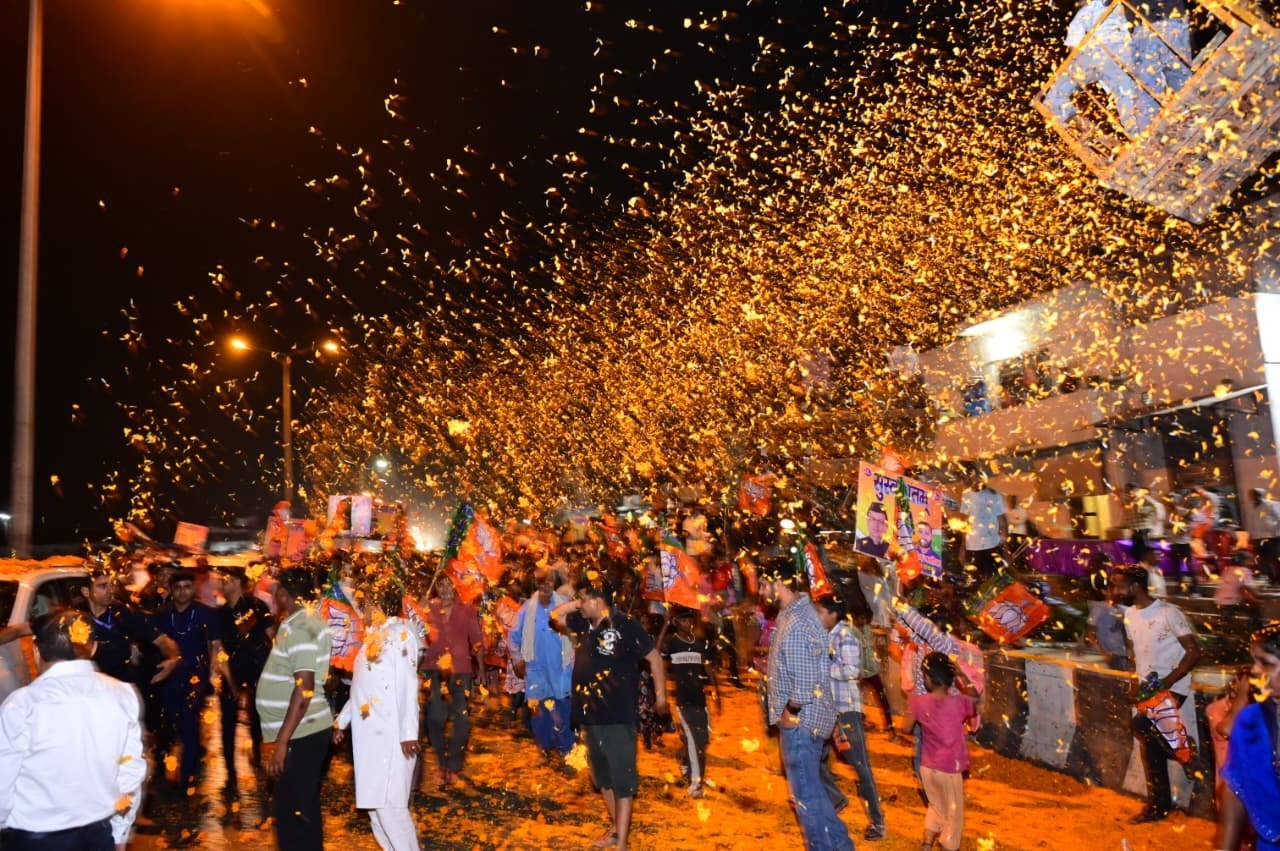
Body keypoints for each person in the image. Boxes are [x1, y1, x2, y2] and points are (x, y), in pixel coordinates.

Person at [0, 610, 147, 851]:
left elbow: (3, 778)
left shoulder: (22, 704)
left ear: (36, 651)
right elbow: (130, 770)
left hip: (35, 838)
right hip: (98, 834)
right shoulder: (123, 694)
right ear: (93, 648)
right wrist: (120, 831)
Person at [552, 579, 667, 851]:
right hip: (589, 716)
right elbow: (555, 616)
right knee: (601, 779)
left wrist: (661, 697)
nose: (580, 605)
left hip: (617, 716)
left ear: (598, 600)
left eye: (584, 600)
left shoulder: (626, 624)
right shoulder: (583, 623)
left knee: (622, 781)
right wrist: (578, 602)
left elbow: (654, 658)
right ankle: (617, 830)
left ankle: (622, 844)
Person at [761, 556, 854, 851]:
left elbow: (804, 682)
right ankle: (841, 846)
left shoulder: (796, 622)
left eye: (764, 585)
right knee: (813, 795)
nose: (761, 592)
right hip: (809, 721)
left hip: (801, 723)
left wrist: (789, 711)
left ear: (778, 583)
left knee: (806, 801)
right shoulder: (799, 614)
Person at [1110, 565, 1202, 823]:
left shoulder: (1169, 613)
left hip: (1172, 685)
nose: (1116, 591)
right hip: (1148, 688)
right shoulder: (1130, 614)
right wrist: (1134, 682)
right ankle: (1159, 806)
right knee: (1150, 748)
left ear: (1135, 587)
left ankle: (1186, 754)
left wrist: (1166, 682)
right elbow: (1134, 652)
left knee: (1140, 725)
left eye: (1120, 586)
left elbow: (1194, 651)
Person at [335, 582, 422, 851]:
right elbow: (362, 688)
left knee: (391, 808)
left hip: (392, 736)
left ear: (381, 604)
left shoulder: (401, 634)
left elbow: (408, 684)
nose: (363, 610)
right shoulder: (373, 637)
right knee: (375, 808)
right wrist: (341, 721)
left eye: (367, 604)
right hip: (370, 737)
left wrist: (408, 733)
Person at [257, 567, 333, 851]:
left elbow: (304, 689)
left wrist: (282, 742)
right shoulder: (298, 622)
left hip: (302, 734)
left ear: (284, 594)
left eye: (275, 590)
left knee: (293, 817)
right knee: (301, 811)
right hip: (302, 732)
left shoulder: (302, 627)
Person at [813, 596, 886, 842]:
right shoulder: (826, 636)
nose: (817, 616)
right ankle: (835, 799)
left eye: (820, 612)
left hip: (846, 711)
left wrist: (823, 669)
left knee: (860, 767)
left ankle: (877, 821)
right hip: (827, 709)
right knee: (812, 758)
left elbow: (852, 671)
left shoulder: (846, 636)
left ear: (833, 614)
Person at [151, 569, 229, 795]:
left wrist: (213, 672)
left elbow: (215, 645)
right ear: (171, 590)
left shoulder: (206, 614)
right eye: (178, 588)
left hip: (196, 677)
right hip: (168, 678)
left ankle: (187, 778)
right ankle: (165, 772)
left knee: (190, 723)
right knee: (169, 725)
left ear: (193, 589)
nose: (182, 592)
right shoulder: (162, 614)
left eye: (187, 587)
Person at [901, 652, 980, 851]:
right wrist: (962, 675)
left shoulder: (918, 702)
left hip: (927, 767)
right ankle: (948, 846)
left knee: (936, 806)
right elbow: (976, 699)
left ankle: (927, 844)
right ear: (951, 678)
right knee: (953, 816)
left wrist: (912, 709)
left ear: (928, 679)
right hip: (950, 769)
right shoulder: (959, 702)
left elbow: (905, 728)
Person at [1218, 622, 1280, 851]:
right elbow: (1235, 787)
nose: (1254, 670)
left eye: (1265, 663)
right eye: (1254, 661)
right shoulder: (1251, 721)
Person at [216, 567, 275, 807]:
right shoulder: (220, 614)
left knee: (259, 720)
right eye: (222, 580)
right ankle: (230, 773)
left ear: (239, 582)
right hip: (231, 672)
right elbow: (218, 649)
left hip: (258, 671)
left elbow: (271, 636)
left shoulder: (257, 606)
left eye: (228, 579)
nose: (224, 583)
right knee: (227, 724)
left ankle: (262, 761)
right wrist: (229, 680)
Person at [422, 577, 483, 787]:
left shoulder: (466, 609)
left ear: (456, 586)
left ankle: (454, 766)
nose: (445, 589)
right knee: (435, 718)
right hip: (434, 670)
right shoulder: (428, 608)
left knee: (462, 720)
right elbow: (414, 631)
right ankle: (442, 764)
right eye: (441, 585)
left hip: (461, 671)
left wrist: (481, 669)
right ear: (436, 587)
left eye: (449, 584)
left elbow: (477, 639)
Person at [78, 567, 182, 687]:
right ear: (86, 591)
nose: (110, 590)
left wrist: (174, 658)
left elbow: (161, 639)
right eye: (103, 586)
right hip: (90, 686)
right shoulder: (76, 619)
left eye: (111, 585)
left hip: (123, 685)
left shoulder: (123, 613)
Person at [513, 567, 575, 761]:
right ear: (536, 583)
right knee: (538, 709)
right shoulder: (527, 608)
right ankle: (545, 747)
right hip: (536, 668)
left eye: (548, 580)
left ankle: (566, 749)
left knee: (562, 709)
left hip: (561, 667)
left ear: (554, 582)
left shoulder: (564, 604)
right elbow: (514, 636)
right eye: (541, 581)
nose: (545, 585)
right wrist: (517, 658)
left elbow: (576, 633)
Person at [660, 606, 720, 798]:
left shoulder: (699, 643)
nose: (688, 623)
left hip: (700, 699)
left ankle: (686, 765)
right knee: (694, 741)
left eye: (690, 620)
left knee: (703, 739)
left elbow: (707, 667)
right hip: (683, 700)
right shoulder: (672, 642)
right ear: (676, 622)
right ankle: (696, 784)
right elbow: (656, 653)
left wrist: (716, 691)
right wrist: (665, 626)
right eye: (684, 620)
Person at [960, 472, 1007, 580]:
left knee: (995, 580)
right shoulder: (966, 496)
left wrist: (1004, 547)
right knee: (976, 580)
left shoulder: (993, 495)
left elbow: (1003, 522)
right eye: (962, 478)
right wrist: (963, 547)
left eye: (965, 477)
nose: (963, 481)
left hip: (992, 545)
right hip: (972, 547)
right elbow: (965, 524)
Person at [1250, 488, 1280, 582]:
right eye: (1251, 495)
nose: (1253, 497)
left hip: (1272, 536)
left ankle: (1278, 578)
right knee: (1263, 559)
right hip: (1259, 537)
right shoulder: (1254, 507)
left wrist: (1275, 530)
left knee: (1275, 558)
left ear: (1260, 495)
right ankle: (1271, 578)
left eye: (1255, 494)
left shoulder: (1271, 504)